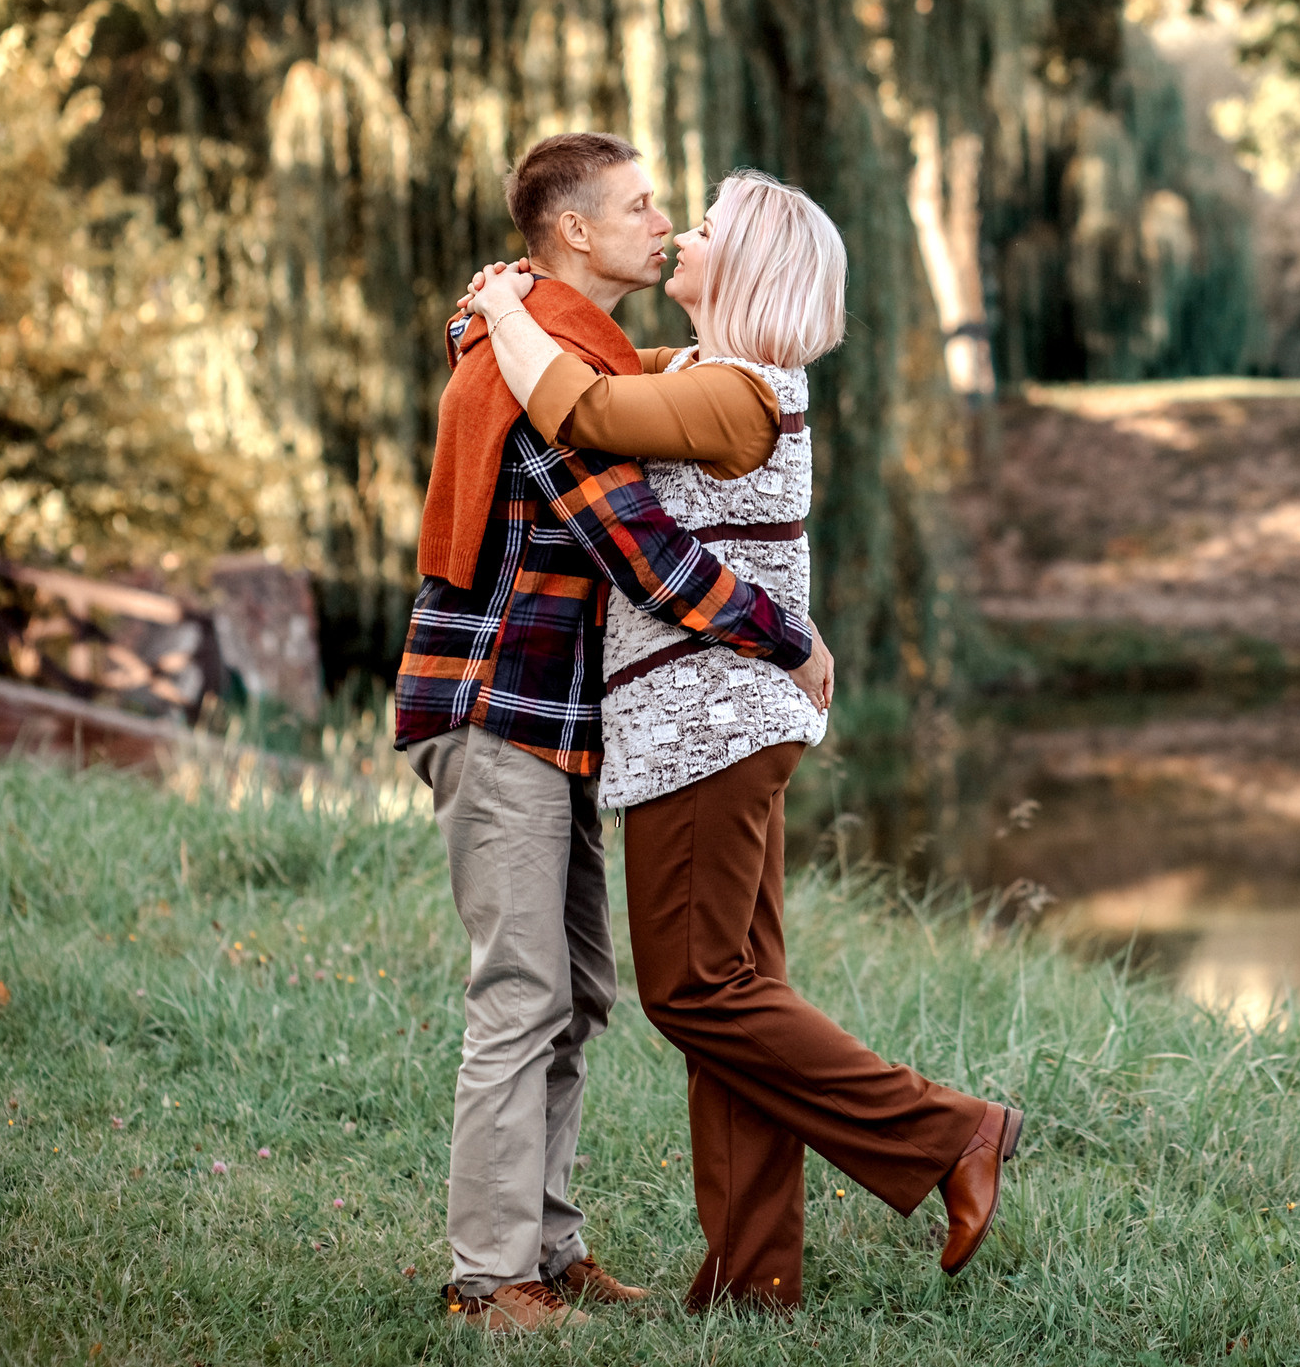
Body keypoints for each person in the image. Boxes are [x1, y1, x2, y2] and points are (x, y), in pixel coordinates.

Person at [465, 168, 1021, 1314]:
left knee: (695, 990)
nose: (683, 235)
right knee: (739, 985)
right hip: (722, 723)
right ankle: (754, 1279)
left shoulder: (741, 397)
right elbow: (609, 376)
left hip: (705, 730)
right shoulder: (709, 377)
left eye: (706, 226)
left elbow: (576, 405)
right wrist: (515, 308)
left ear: (749, 263)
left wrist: (505, 308)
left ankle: (950, 1133)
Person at [395, 133, 835, 1334]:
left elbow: (647, 377)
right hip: (496, 709)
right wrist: (789, 637)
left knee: (578, 993)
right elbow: (639, 548)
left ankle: (547, 1245)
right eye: (642, 207)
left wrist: (491, 311)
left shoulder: (547, 338)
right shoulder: (540, 375)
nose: (665, 223)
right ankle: (490, 1282)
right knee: (523, 992)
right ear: (575, 233)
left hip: (559, 723)